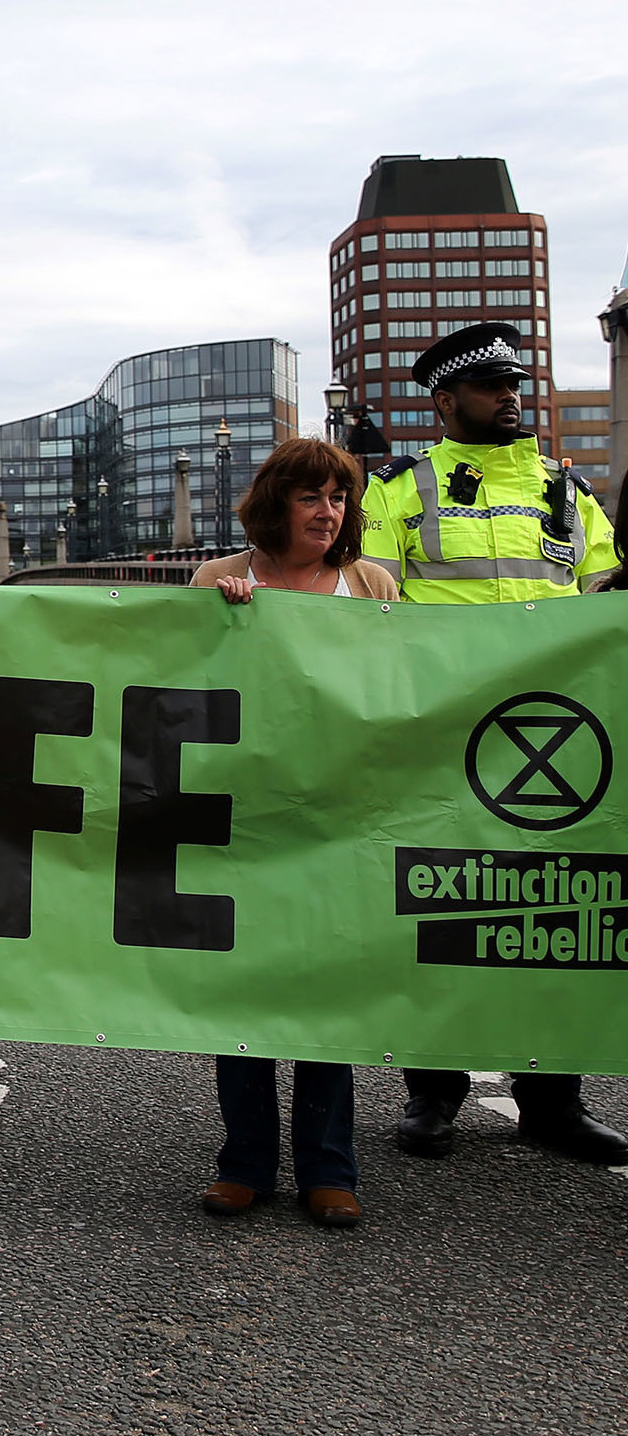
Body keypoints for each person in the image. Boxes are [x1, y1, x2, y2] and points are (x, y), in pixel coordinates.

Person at [358, 323, 627, 1167]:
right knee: (441, 911)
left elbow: (603, 601)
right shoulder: (400, 490)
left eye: (516, 385)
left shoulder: (568, 492)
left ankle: (555, 1100)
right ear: (446, 403)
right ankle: (434, 1093)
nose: (512, 397)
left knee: (556, 915)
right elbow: (365, 608)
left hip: (558, 736)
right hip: (442, 736)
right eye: (491, 388)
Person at [188, 439, 397, 1229]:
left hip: (340, 819)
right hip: (245, 818)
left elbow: (400, 687)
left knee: (324, 995)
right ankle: (244, 1163)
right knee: (243, 993)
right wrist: (226, 624)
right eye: (310, 497)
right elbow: (185, 687)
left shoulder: (370, 583)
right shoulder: (218, 580)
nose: (327, 511)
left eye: (338, 498)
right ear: (275, 504)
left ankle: (328, 1169)